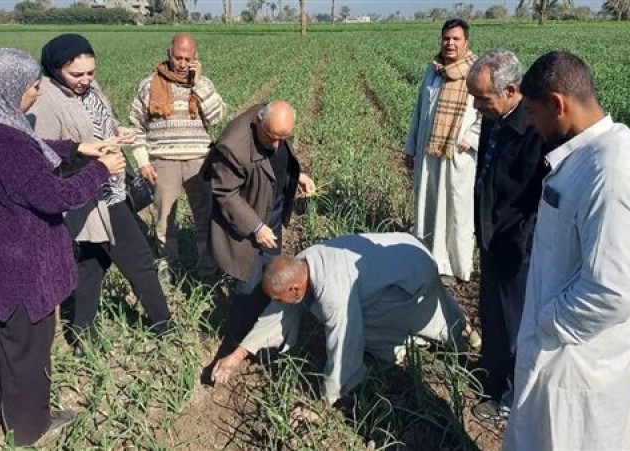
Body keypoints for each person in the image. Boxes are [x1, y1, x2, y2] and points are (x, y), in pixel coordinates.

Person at [0, 48, 126, 446]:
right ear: (7, 88)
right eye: (32, 86)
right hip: (20, 264)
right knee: (29, 346)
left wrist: (77, 149)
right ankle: (28, 428)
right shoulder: (6, 141)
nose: (38, 93)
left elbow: (25, 155)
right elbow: (55, 196)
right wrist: (100, 169)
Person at [504, 51, 630, 450]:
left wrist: (546, 319)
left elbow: (610, 293)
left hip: (576, 361)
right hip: (555, 350)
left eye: (533, 114)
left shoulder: (611, 170)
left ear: (558, 104)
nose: (531, 126)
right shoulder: (585, 157)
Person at [28, 34, 173, 356]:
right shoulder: (45, 102)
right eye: (76, 75)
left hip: (109, 188)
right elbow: (43, 158)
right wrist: (95, 157)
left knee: (91, 267)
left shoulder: (90, 90)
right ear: (54, 68)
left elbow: (99, 124)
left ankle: (82, 338)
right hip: (91, 199)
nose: (85, 80)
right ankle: (166, 326)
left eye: (90, 72)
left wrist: (117, 133)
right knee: (140, 261)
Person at [211, 232, 470, 405]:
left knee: (370, 330)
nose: (278, 304)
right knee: (429, 309)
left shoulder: (333, 292)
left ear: (295, 290)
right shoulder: (303, 263)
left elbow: (344, 341)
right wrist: (237, 355)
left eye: (280, 298)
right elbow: (279, 311)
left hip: (414, 272)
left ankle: (446, 338)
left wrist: (327, 399)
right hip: (405, 247)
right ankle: (460, 326)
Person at [201, 100, 315, 371]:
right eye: (271, 137)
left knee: (272, 270)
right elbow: (224, 194)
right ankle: (235, 340)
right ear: (258, 120)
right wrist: (255, 226)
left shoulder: (274, 126)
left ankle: (267, 326)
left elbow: (280, 156)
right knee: (249, 277)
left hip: (270, 207)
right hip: (249, 216)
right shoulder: (232, 147)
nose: (276, 144)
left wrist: (297, 176)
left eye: (283, 138)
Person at [465, 50, 548, 422]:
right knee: (492, 313)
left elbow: (539, 197)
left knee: (515, 322)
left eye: (482, 98)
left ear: (511, 90)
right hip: (490, 234)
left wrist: (521, 238)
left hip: (517, 245)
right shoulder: (494, 118)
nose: (475, 106)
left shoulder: (535, 129)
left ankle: (510, 400)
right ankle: (493, 376)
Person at [130, 32, 227, 279]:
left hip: (199, 161)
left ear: (196, 59)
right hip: (163, 162)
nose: (182, 64)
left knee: (205, 214)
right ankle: (167, 263)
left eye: (188, 59)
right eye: (178, 58)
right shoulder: (149, 85)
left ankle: (208, 265)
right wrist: (142, 162)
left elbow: (217, 117)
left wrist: (199, 84)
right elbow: (136, 127)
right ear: (168, 54)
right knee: (163, 216)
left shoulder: (203, 85)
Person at [404, 18, 482, 286]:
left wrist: (470, 138)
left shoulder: (477, 71)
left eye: (456, 39)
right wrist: (411, 147)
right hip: (429, 151)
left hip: (458, 156)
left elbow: (488, 113)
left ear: (466, 42)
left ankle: (453, 266)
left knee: (455, 208)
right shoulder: (433, 70)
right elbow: (419, 111)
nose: (450, 43)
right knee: (427, 203)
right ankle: (427, 258)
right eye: (446, 38)